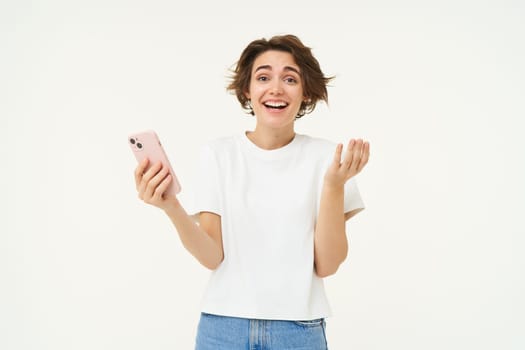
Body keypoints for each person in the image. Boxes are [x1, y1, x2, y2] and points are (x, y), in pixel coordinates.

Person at [134, 34, 370, 350]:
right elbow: (212, 256)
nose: (276, 88)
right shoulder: (218, 155)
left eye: (290, 78)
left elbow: (327, 264)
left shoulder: (329, 160)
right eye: (263, 77)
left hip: (298, 330)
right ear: (248, 90)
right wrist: (171, 207)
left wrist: (333, 185)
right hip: (222, 328)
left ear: (306, 93)